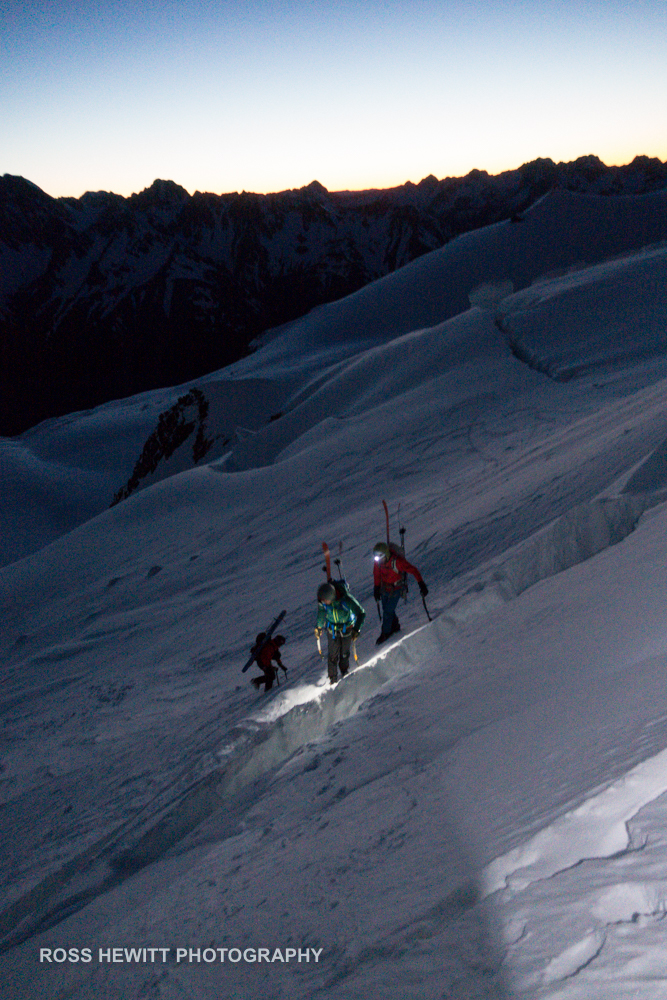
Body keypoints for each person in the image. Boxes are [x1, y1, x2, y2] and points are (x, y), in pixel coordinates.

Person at [373, 542, 428, 644]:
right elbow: (376, 574)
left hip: (396, 589)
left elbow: (413, 570)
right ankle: (394, 626)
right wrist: (376, 588)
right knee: (386, 609)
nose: (378, 561)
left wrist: (421, 583)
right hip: (385, 588)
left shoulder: (397, 562)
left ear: (385, 554)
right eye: (377, 558)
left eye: (380, 558)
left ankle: (386, 633)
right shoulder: (379, 563)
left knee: (388, 612)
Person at [315, 581, 365, 684]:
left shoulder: (346, 599)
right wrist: (319, 627)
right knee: (332, 655)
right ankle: (332, 679)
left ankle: (344, 671)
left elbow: (361, 613)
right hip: (332, 630)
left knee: (344, 653)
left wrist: (356, 629)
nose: (323, 602)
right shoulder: (323, 601)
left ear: (331, 597)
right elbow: (321, 613)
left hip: (347, 628)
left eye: (325, 601)